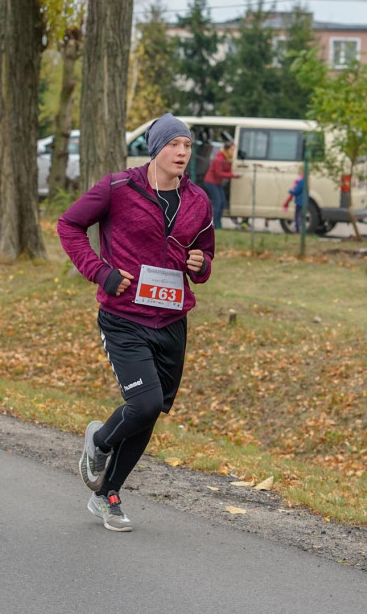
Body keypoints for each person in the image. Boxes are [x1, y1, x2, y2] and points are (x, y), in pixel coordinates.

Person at [57, 113, 215, 532]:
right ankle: (100, 442)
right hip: (124, 316)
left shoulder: (198, 200)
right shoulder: (118, 188)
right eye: (174, 144)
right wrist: (100, 271)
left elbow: (205, 252)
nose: (182, 152)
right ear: (156, 148)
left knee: (151, 411)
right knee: (143, 403)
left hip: (172, 320)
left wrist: (201, 264)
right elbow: (69, 225)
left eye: (187, 145)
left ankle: (107, 495)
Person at [202, 140, 237, 229]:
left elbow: (227, 170)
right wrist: (233, 175)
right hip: (210, 182)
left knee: (223, 202)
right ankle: (214, 223)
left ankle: (218, 221)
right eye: (232, 150)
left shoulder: (227, 158)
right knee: (218, 202)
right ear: (226, 149)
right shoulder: (219, 158)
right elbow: (219, 173)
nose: (233, 152)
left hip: (217, 182)